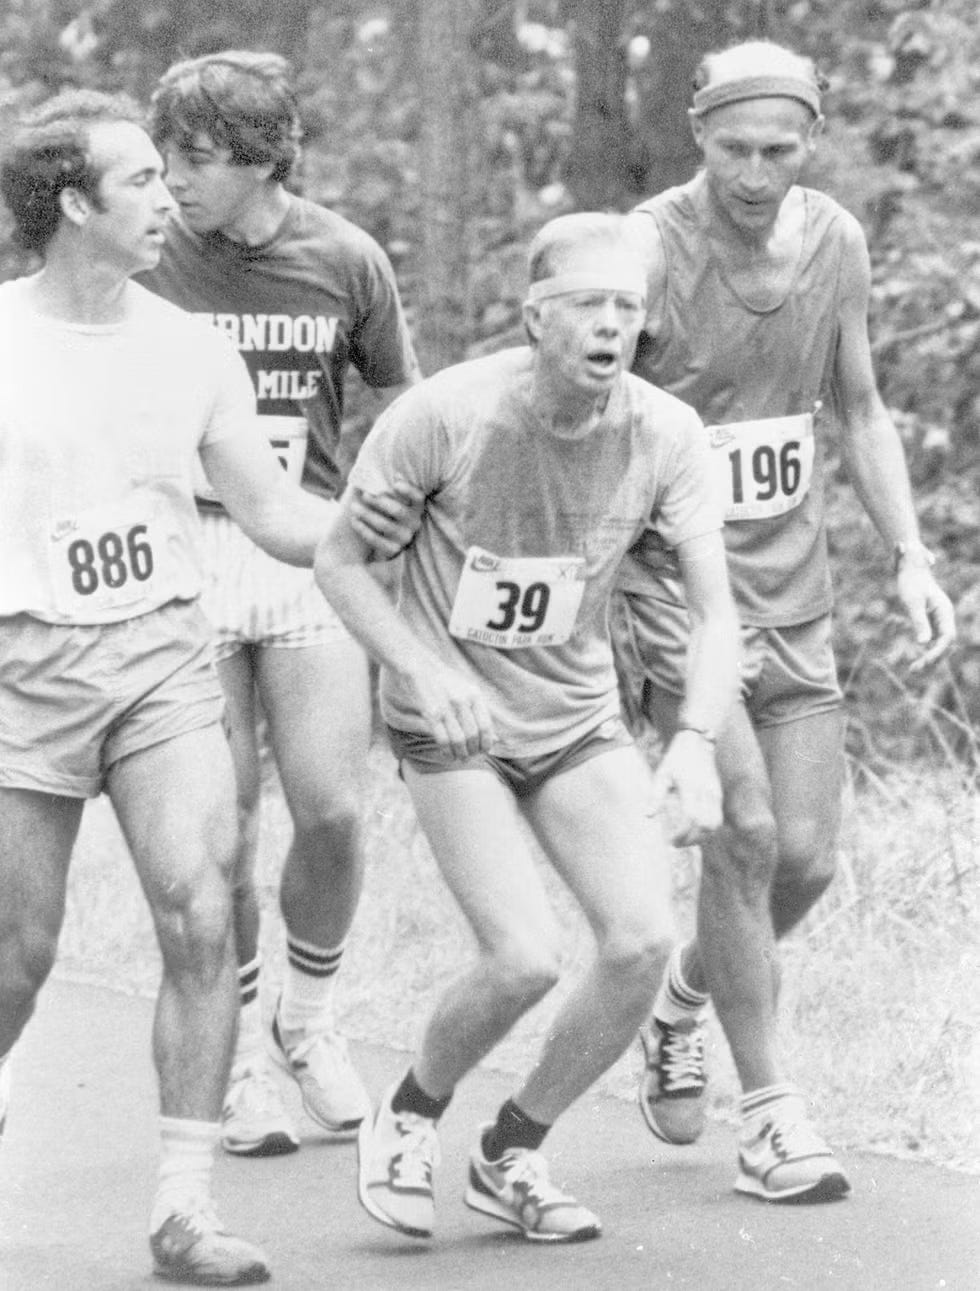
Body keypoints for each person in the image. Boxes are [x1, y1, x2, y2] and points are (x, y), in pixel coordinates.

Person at [0, 90, 412, 1285]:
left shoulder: (190, 346)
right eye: (138, 181)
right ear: (73, 205)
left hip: (159, 657)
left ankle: (183, 1209)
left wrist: (386, 531)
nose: (164, 198)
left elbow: (277, 511)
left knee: (196, 906)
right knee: (20, 952)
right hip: (21, 667)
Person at [314, 212, 740, 1243]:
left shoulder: (665, 432)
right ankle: (409, 1114)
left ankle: (512, 1148)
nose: (608, 327)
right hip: (448, 720)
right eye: (586, 305)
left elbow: (715, 612)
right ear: (533, 315)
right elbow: (338, 563)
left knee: (640, 944)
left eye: (626, 308)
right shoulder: (444, 415)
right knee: (522, 958)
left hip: (573, 716)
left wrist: (691, 740)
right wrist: (418, 665)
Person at [613, 39, 956, 1203]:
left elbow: (854, 406)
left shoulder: (834, 241)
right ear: (697, 136)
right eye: (729, 149)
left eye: (776, 148)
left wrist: (907, 553)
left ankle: (681, 999)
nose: (752, 172)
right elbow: (580, 403)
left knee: (805, 857)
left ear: (809, 140)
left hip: (792, 591)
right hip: (673, 594)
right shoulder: (649, 245)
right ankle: (768, 1116)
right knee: (744, 835)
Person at [140, 50, 422, 1159]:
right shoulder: (149, 256)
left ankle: (306, 1019)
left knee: (334, 809)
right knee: (225, 824)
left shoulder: (345, 257)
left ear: (264, 161)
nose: (174, 180)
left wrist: (380, 524)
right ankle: (240, 1066)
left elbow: (399, 398)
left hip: (305, 547)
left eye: (199, 159)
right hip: (186, 549)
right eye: (165, 158)